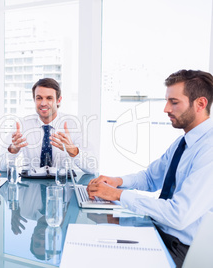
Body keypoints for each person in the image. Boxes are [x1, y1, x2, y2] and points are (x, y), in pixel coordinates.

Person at [87, 69, 213, 267]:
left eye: (174, 102)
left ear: (200, 104)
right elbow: (150, 178)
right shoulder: (183, 142)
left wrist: (117, 195)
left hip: (179, 249)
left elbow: (178, 215)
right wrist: (117, 182)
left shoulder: (209, 150)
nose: (166, 109)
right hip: (159, 230)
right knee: (96, 241)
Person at [0, 78, 96, 173]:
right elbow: (1, 167)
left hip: (63, 184)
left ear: (58, 100)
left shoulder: (74, 125)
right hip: (32, 186)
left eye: (49, 98)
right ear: (34, 100)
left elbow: (93, 167)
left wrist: (73, 150)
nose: (43, 103)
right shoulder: (22, 125)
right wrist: (12, 151)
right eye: (39, 98)